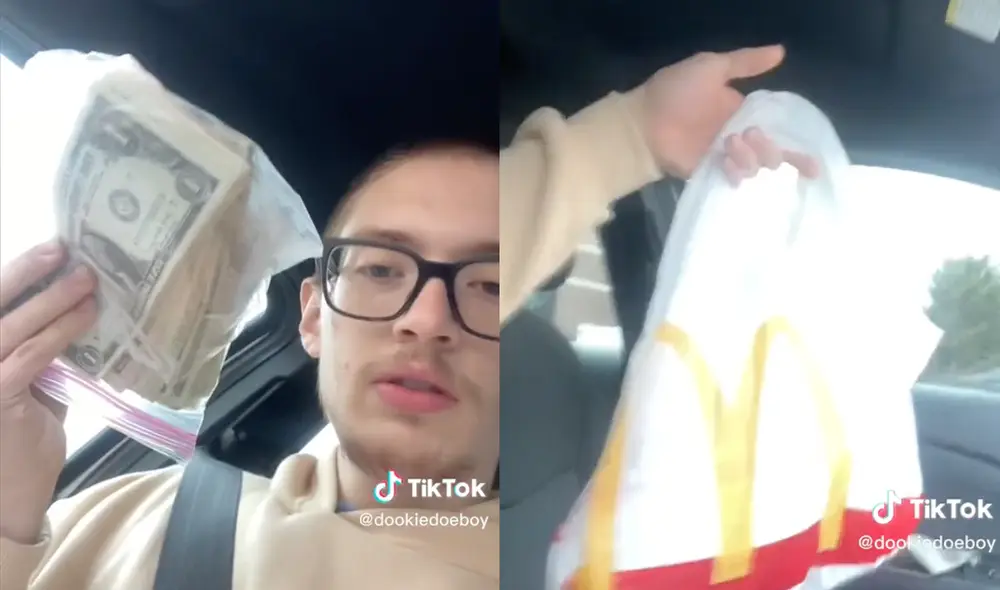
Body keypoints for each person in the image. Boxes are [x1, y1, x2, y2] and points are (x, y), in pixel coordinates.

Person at [0, 45, 817, 589]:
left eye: (488, 287)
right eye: (381, 271)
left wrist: (630, 140)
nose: (426, 320)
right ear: (313, 318)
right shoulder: (109, 516)